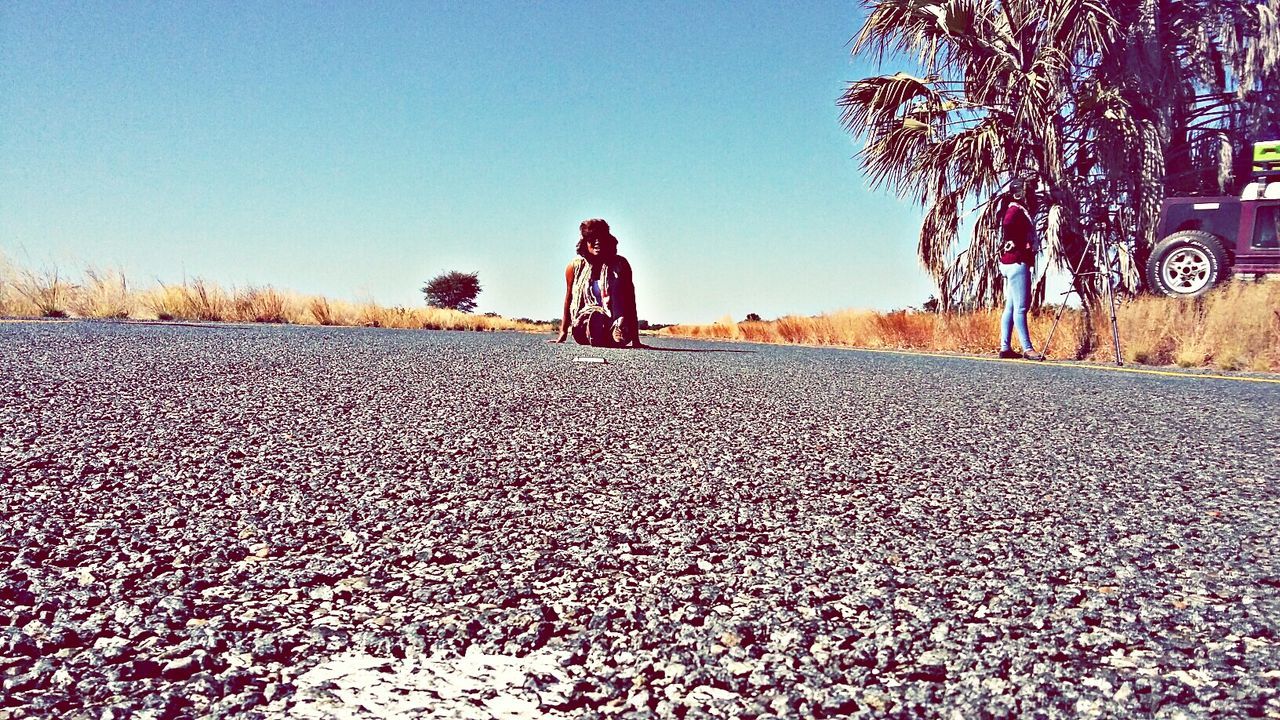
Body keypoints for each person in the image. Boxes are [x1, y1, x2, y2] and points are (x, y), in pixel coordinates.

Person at [551, 218, 642, 347]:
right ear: (585, 243)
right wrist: (563, 332)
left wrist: (636, 340)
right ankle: (594, 330)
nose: (598, 242)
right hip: (584, 321)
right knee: (591, 318)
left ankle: (613, 331)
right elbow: (569, 299)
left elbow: (630, 300)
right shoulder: (575, 266)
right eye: (592, 239)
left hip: (616, 320)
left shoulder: (621, 265)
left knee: (618, 324)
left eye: (601, 238)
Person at [997, 178, 1045, 360]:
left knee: (1010, 306)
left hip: (1010, 262)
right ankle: (1027, 348)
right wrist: (1017, 242)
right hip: (1017, 262)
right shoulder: (1015, 209)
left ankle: (1005, 347)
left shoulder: (1016, 209)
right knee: (1021, 308)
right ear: (1020, 193)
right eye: (1028, 191)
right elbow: (1008, 223)